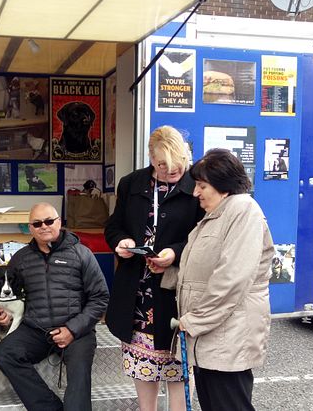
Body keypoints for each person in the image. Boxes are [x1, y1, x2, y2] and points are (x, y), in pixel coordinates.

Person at [103, 125, 204, 411]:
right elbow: (113, 226)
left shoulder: (197, 185)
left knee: (179, 369)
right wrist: (121, 241)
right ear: (150, 158)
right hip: (137, 291)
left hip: (177, 292)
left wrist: (176, 253)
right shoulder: (131, 184)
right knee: (143, 367)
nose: (171, 172)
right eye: (162, 166)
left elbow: (204, 237)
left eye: (177, 165)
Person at [174, 148, 274, 411]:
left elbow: (231, 280)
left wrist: (194, 321)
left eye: (202, 185)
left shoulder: (243, 211)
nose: (196, 193)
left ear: (224, 185)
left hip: (228, 338)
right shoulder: (219, 214)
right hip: (212, 338)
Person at [0, 202, 109, 411]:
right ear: (30, 228)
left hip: (77, 330)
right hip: (35, 329)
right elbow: (13, 297)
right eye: (37, 223)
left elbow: (100, 297)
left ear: (59, 222)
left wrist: (73, 329)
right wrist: (4, 315)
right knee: (4, 353)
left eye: (49, 221)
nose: (44, 226)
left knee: (80, 371)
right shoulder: (20, 259)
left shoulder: (81, 253)